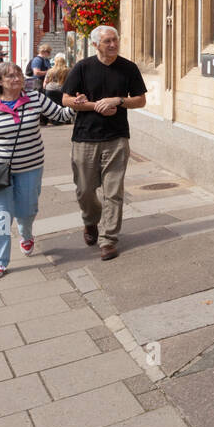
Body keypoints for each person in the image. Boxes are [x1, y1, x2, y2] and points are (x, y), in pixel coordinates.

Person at [0, 61, 74, 279]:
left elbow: (61, 115)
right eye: (10, 76)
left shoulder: (35, 98)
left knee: (28, 210)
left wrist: (77, 105)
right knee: (1, 215)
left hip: (30, 166)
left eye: (18, 75)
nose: (17, 79)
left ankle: (26, 235)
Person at [62, 26, 147, 261]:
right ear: (95, 45)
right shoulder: (82, 67)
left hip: (117, 138)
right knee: (85, 190)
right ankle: (90, 221)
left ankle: (108, 239)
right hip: (85, 138)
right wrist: (92, 105)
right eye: (107, 41)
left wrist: (118, 100)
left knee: (113, 192)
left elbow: (140, 100)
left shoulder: (128, 68)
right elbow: (66, 98)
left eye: (115, 40)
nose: (113, 44)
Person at [42, 54, 69, 125]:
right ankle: (63, 119)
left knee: (52, 106)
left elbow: (45, 83)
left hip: (50, 90)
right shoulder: (67, 70)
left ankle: (53, 121)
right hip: (62, 90)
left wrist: (45, 88)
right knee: (62, 105)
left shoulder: (50, 70)